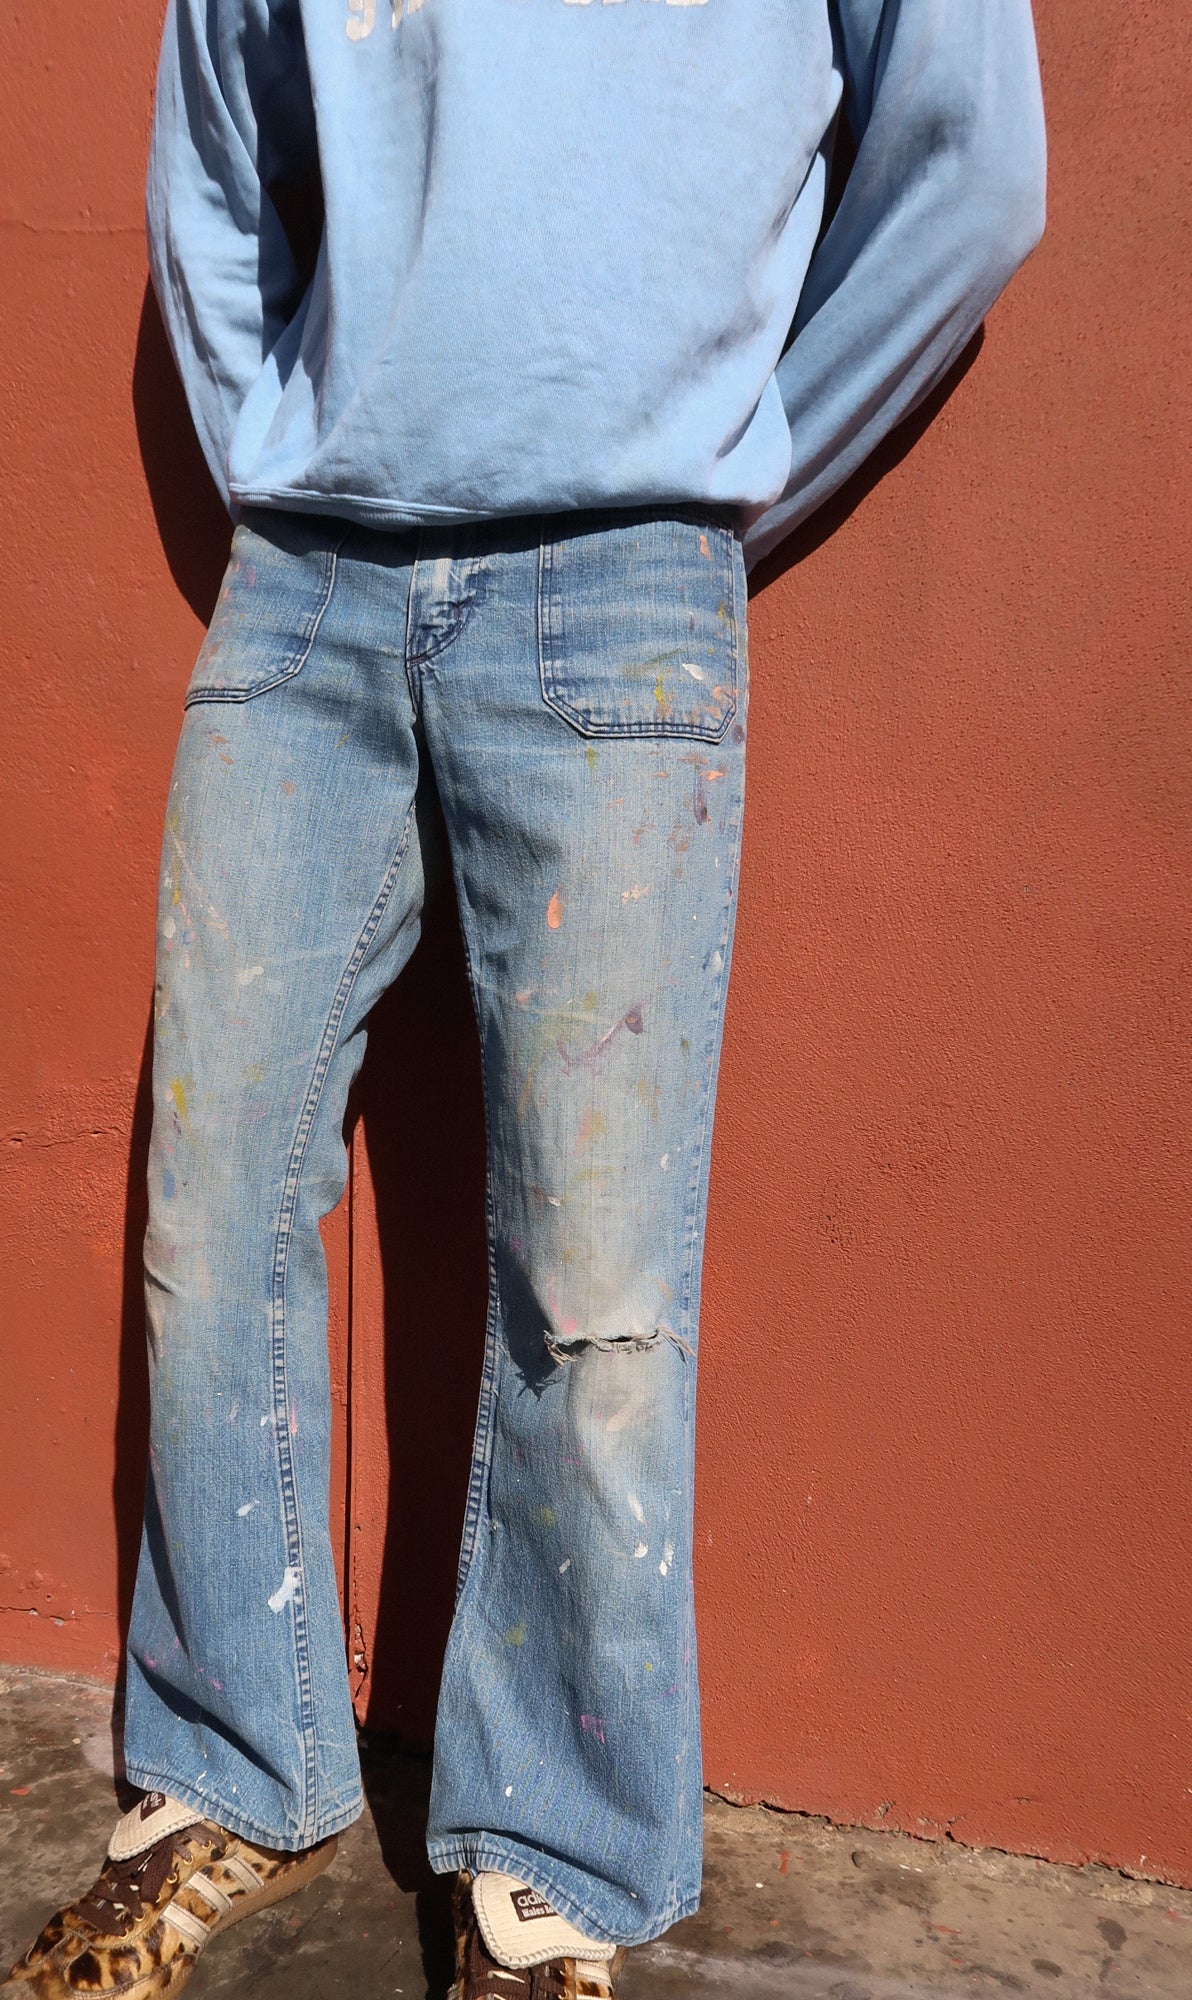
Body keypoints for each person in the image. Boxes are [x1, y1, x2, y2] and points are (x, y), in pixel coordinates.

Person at [5, 3, 1045, 1996]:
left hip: (621, 576)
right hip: (307, 577)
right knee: (211, 1212)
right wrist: (281, 451)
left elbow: (971, 169)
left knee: (596, 1269)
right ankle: (233, 1762)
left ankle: (558, 1843)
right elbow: (212, 151)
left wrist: (721, 464)